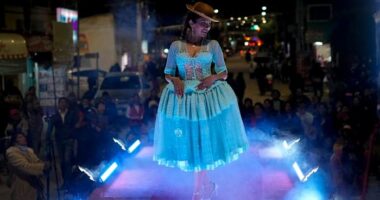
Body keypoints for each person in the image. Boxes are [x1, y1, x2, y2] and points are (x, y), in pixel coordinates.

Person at [153, 2, 249, 200]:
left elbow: (223, 72)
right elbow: (167, 73)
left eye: (209, 24)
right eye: (203, 23)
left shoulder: (212, 45)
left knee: (205, 143)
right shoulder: (176, 47)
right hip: (185, 101)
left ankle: (198, 193)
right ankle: (205, 186)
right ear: (191, 23)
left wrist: (212, 77)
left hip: (208, 100)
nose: (207, 27)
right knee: (193, 144)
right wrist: (176, 79)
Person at [6, 132, 50, 200]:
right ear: (14, 140)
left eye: (23, 136)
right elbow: (24, 166)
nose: (23, 138)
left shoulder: (29, 150)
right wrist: (42, 167)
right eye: (20, 137)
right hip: (22, 185)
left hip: (35, 185)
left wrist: (44, 165)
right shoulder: (11, 152)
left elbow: (36, 161)